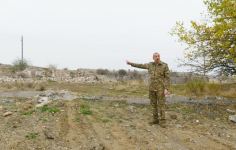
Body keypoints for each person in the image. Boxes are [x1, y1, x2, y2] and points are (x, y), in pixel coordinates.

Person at [126, 52, 170, 127]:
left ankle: (163, 121)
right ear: (153, 58)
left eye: (158, 56)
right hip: (152, 88)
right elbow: (140, 65)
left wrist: (166, 89)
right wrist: (131, 63)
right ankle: (155, 120)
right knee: (153, 105)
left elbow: (167, 78)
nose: (157, 57)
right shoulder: (150, 65)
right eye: (155, 56)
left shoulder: (164, 65)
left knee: (161, 105)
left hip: (160, 88)